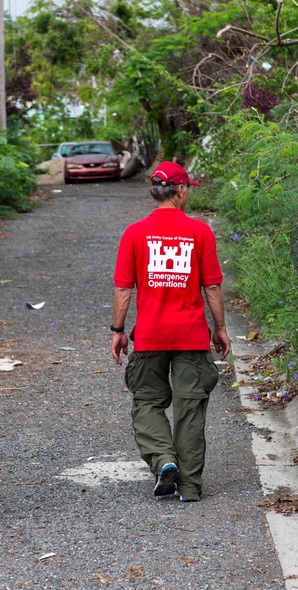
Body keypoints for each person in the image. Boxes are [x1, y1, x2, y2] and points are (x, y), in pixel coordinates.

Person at [110, 161, 231, 503]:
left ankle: (164, 460)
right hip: (191, 336)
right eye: (187, 188)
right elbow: (212, 287)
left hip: (150, 335)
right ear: (179, 190)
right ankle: (190, 487)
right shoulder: (200, 232)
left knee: (147, 402)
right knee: (190, 408)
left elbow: (124, 290)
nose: (188, 193)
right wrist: (220, 329)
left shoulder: (134, 233)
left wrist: (118, 330)